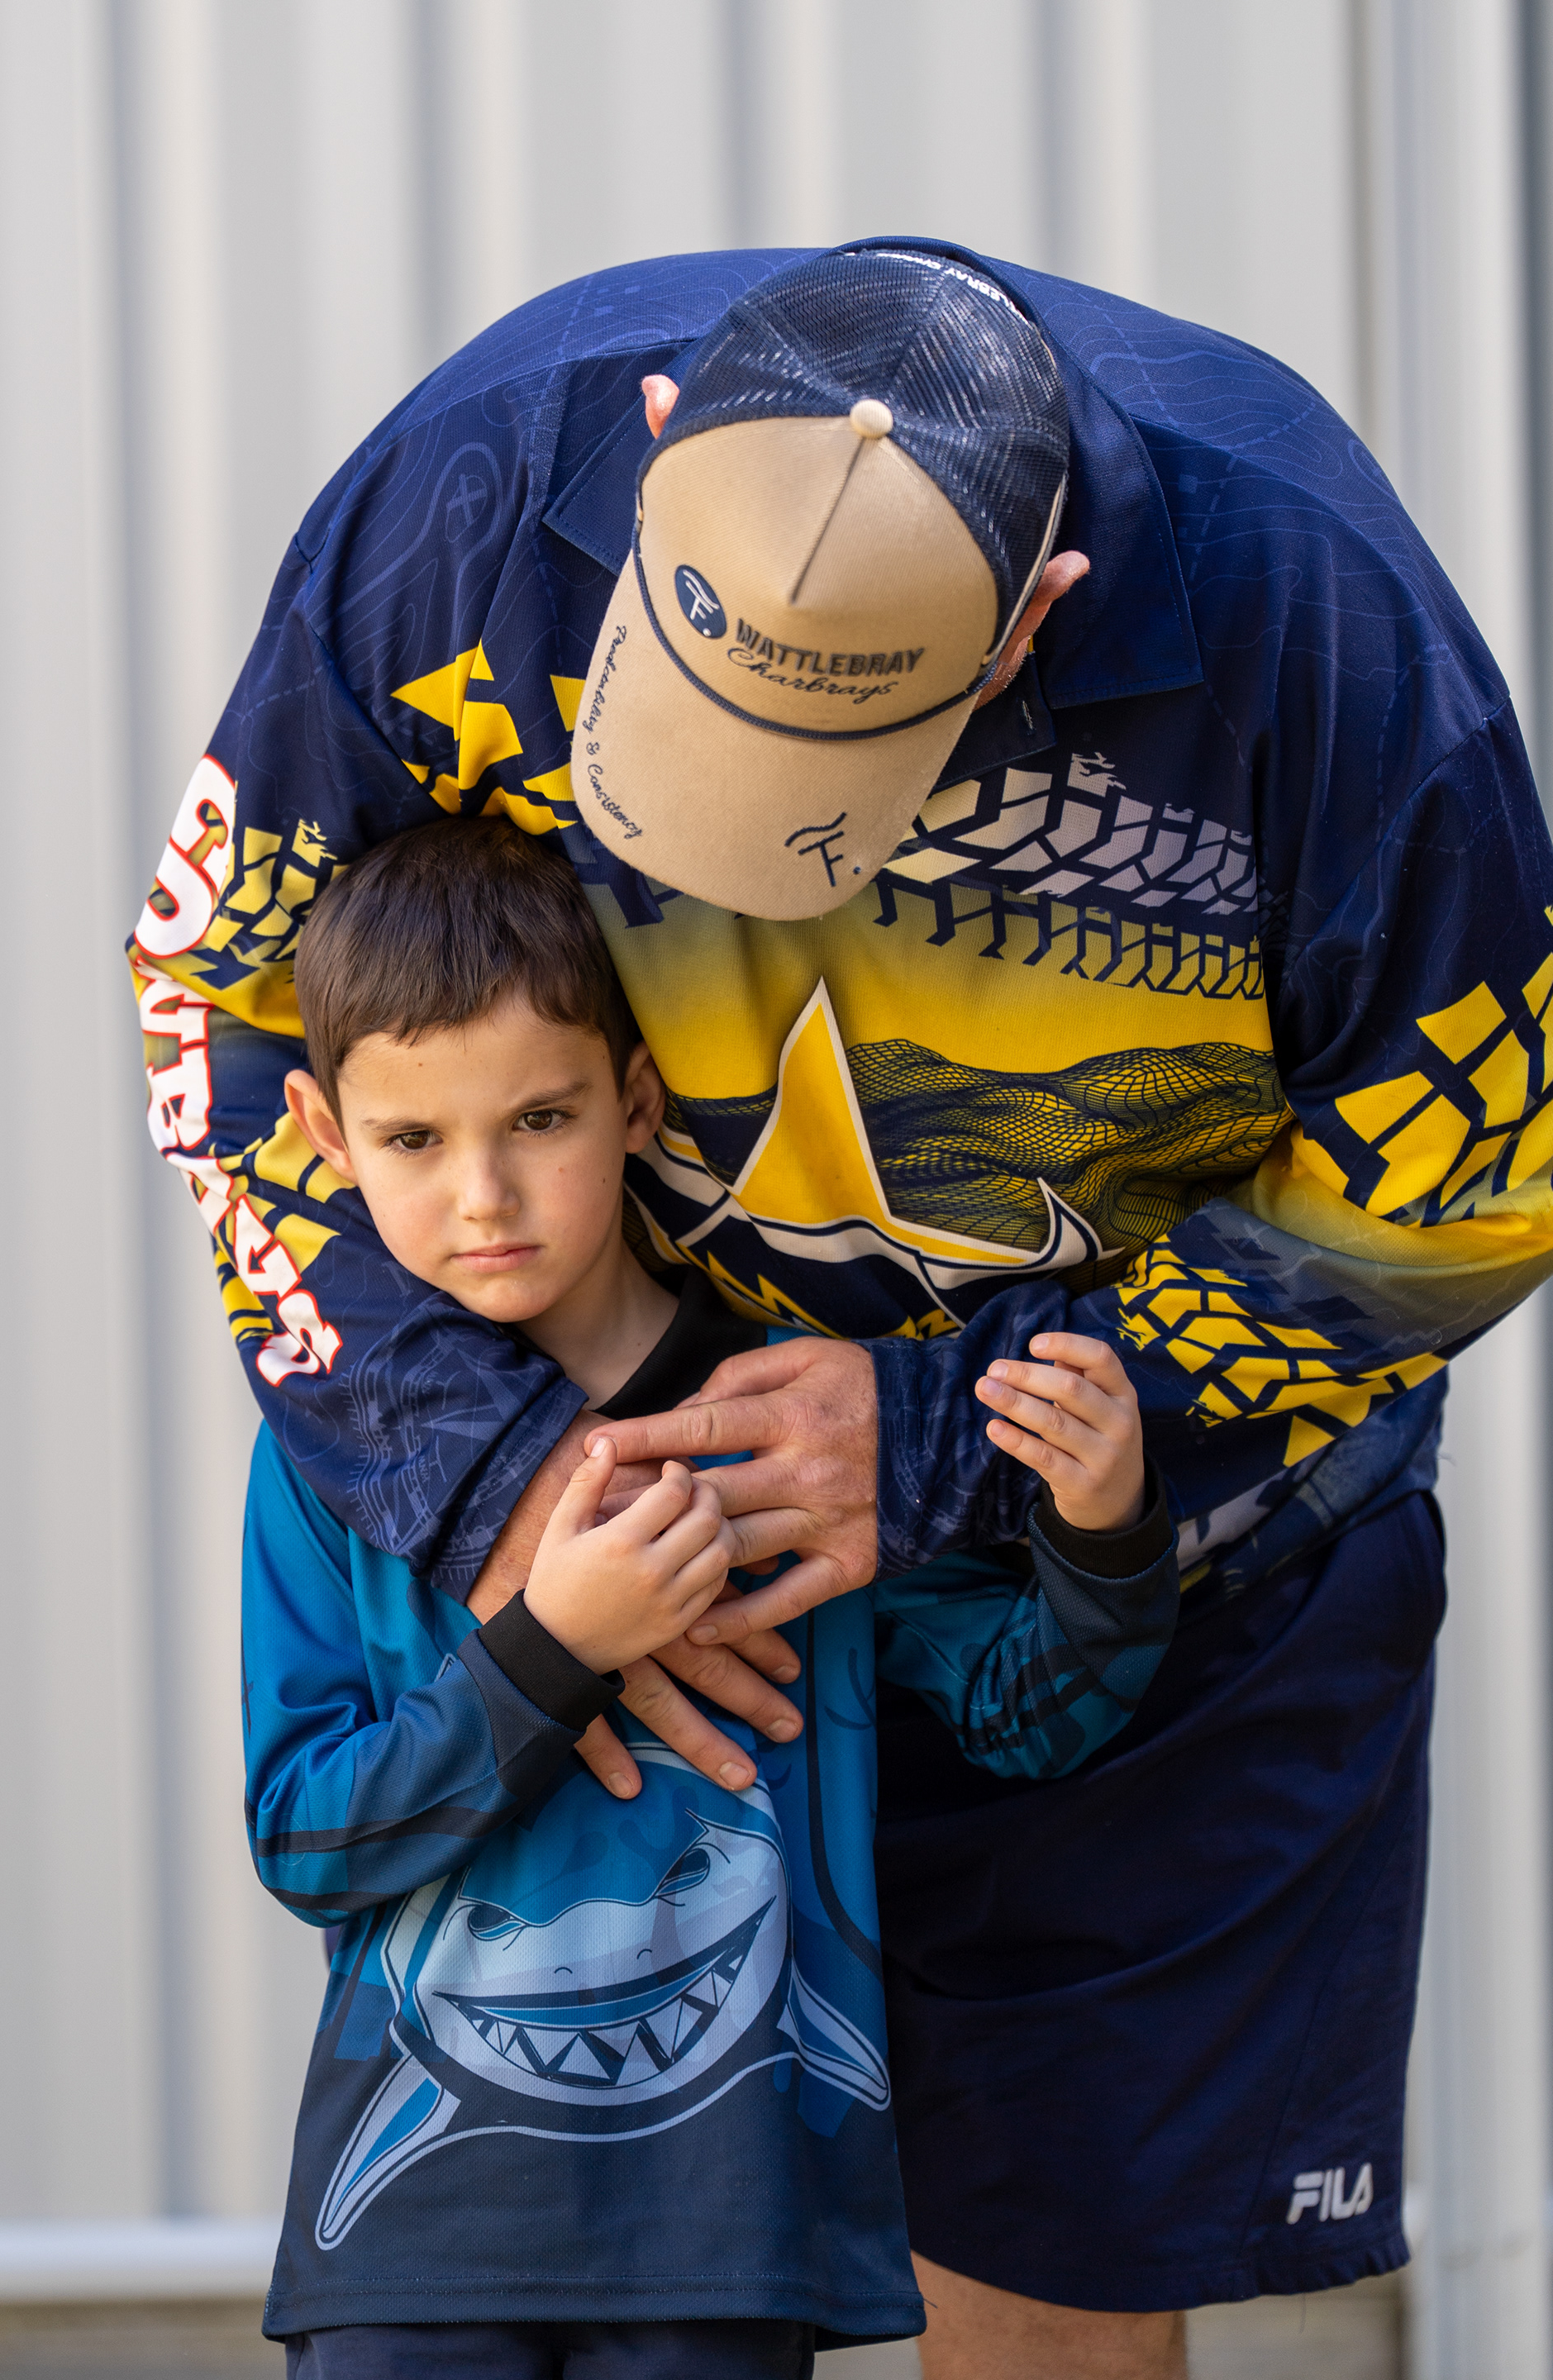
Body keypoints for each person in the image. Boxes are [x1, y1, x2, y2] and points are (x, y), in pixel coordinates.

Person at [132, 241, 1553, 2377]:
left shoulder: (1330, 643)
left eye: (817, 781)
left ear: (1036, 618)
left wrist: (952, 1440)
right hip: (655, 1553)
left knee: (1060, 2268)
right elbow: (231, 1006)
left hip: (1141, 1573)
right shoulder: (457, 505)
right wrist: (512, 1477)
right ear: (650, 454)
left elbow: (1472, 1175)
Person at [246, 813, 1180, 2377]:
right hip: (410, 2243)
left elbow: (1031, 1717)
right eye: (412, 1141)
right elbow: (306, 1838)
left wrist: (1102, 1526)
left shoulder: (793, 1428)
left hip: (729, 2239)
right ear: (323, 1135)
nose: (484, 1195)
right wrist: (555, 1649)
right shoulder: (328, 1451)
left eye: (539, 1118)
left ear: (635, 1099)